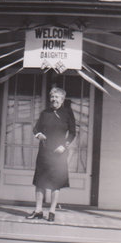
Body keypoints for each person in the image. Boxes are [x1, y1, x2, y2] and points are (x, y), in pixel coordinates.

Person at [27, 86, 76, 222]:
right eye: (52, 97)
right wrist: (38, 134)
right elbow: (36, 128)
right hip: (44, 152)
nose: (54, 99)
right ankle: (38, 210)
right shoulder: (45, 113)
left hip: (59, 154)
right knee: (40, 182)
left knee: (56, 183)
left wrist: (64, 146)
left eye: (56, 97)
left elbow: (72, 132)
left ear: (62, 99)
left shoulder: (67, 113)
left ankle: (52, 212)